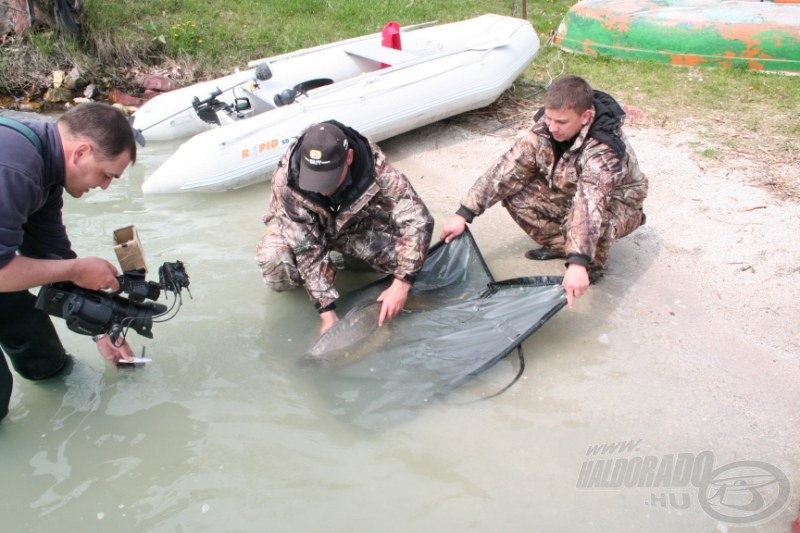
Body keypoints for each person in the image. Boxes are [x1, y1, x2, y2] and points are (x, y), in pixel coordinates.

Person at [440, 75, 648, 308]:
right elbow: (506, 170)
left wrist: (578, 263)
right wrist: (464, 213)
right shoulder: (545, 129)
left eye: (561, 122)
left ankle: (590, 265)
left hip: (617, 203)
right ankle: (562, 247)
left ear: (585, 117)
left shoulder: (604, 150)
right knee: (517, 194)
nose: (553, 127)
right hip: (570, 187)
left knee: (594, 222)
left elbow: (589, 205)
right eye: (549, 118)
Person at [0, 102, 138, 421]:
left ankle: (65, 416)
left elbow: (51, 260)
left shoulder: (47, 179)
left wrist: (103, 330)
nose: (104, 186)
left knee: (39, 347)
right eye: (106, 175)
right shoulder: (16, 167)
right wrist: (77, 269)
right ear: (80, 153)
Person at [255, 120, 433, 335]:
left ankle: (353, 264)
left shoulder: (375, 167)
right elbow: (306, 248)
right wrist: (327, 313)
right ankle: (307, 285)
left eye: (328, 179)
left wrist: (402, 283)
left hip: (351, 225)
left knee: (408, 261)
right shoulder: (287, 180)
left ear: (348, 158)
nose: (322, 189)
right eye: (315, 181)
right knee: (274, 257)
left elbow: (418, 218)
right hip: (304, 230)